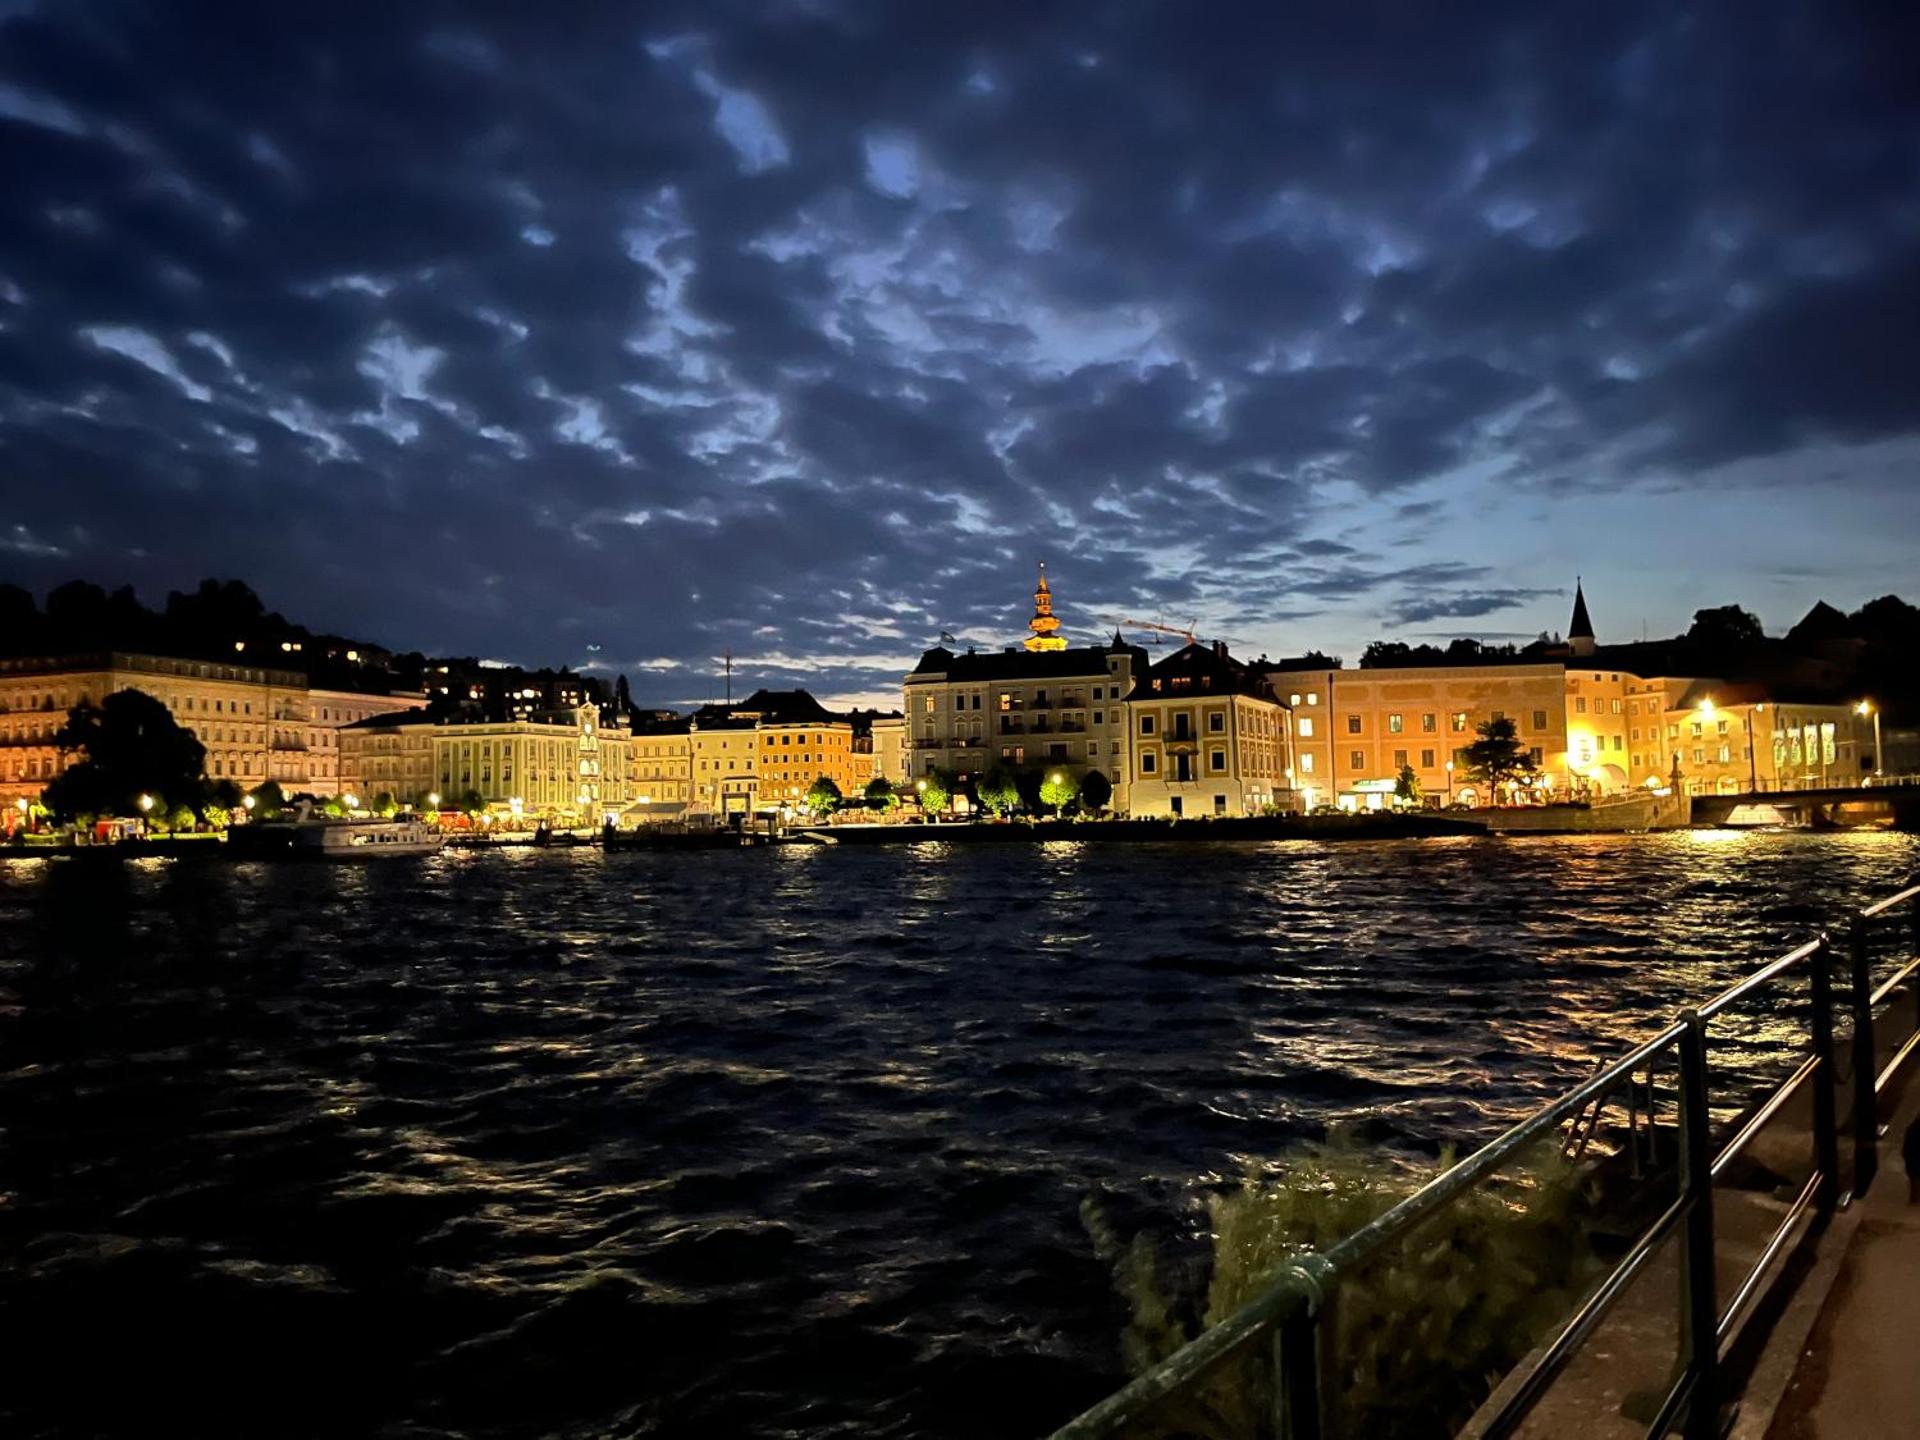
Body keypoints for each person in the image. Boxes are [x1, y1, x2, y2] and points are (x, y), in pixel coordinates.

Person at [1905, 1113, 1920, 1204]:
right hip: (1914, 1156)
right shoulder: (1911, 1128)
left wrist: (1905, 1155)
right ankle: (1915, 1197)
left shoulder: (1911, 1128)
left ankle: (1914, 1198)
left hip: (1912, 1156)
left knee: (1914, 1178)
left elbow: (1907, 1144)